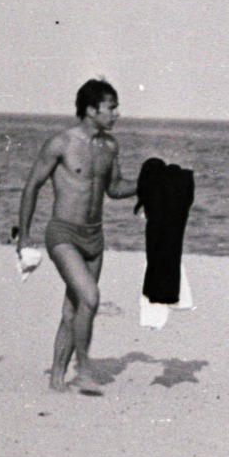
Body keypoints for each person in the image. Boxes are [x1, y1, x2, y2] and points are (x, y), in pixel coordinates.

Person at [16, 79, 139, 392]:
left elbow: (114, 188)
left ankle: (57, 378)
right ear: (91, 109)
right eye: (111, 107)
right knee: (91, 297)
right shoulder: (62, 143)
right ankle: (84, 369)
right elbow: (32, 186)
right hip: (63, 234)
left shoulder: (110, 146)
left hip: (94, 239)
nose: (117, 114)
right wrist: (24, 237)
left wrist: (149, 184)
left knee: (74, 308)